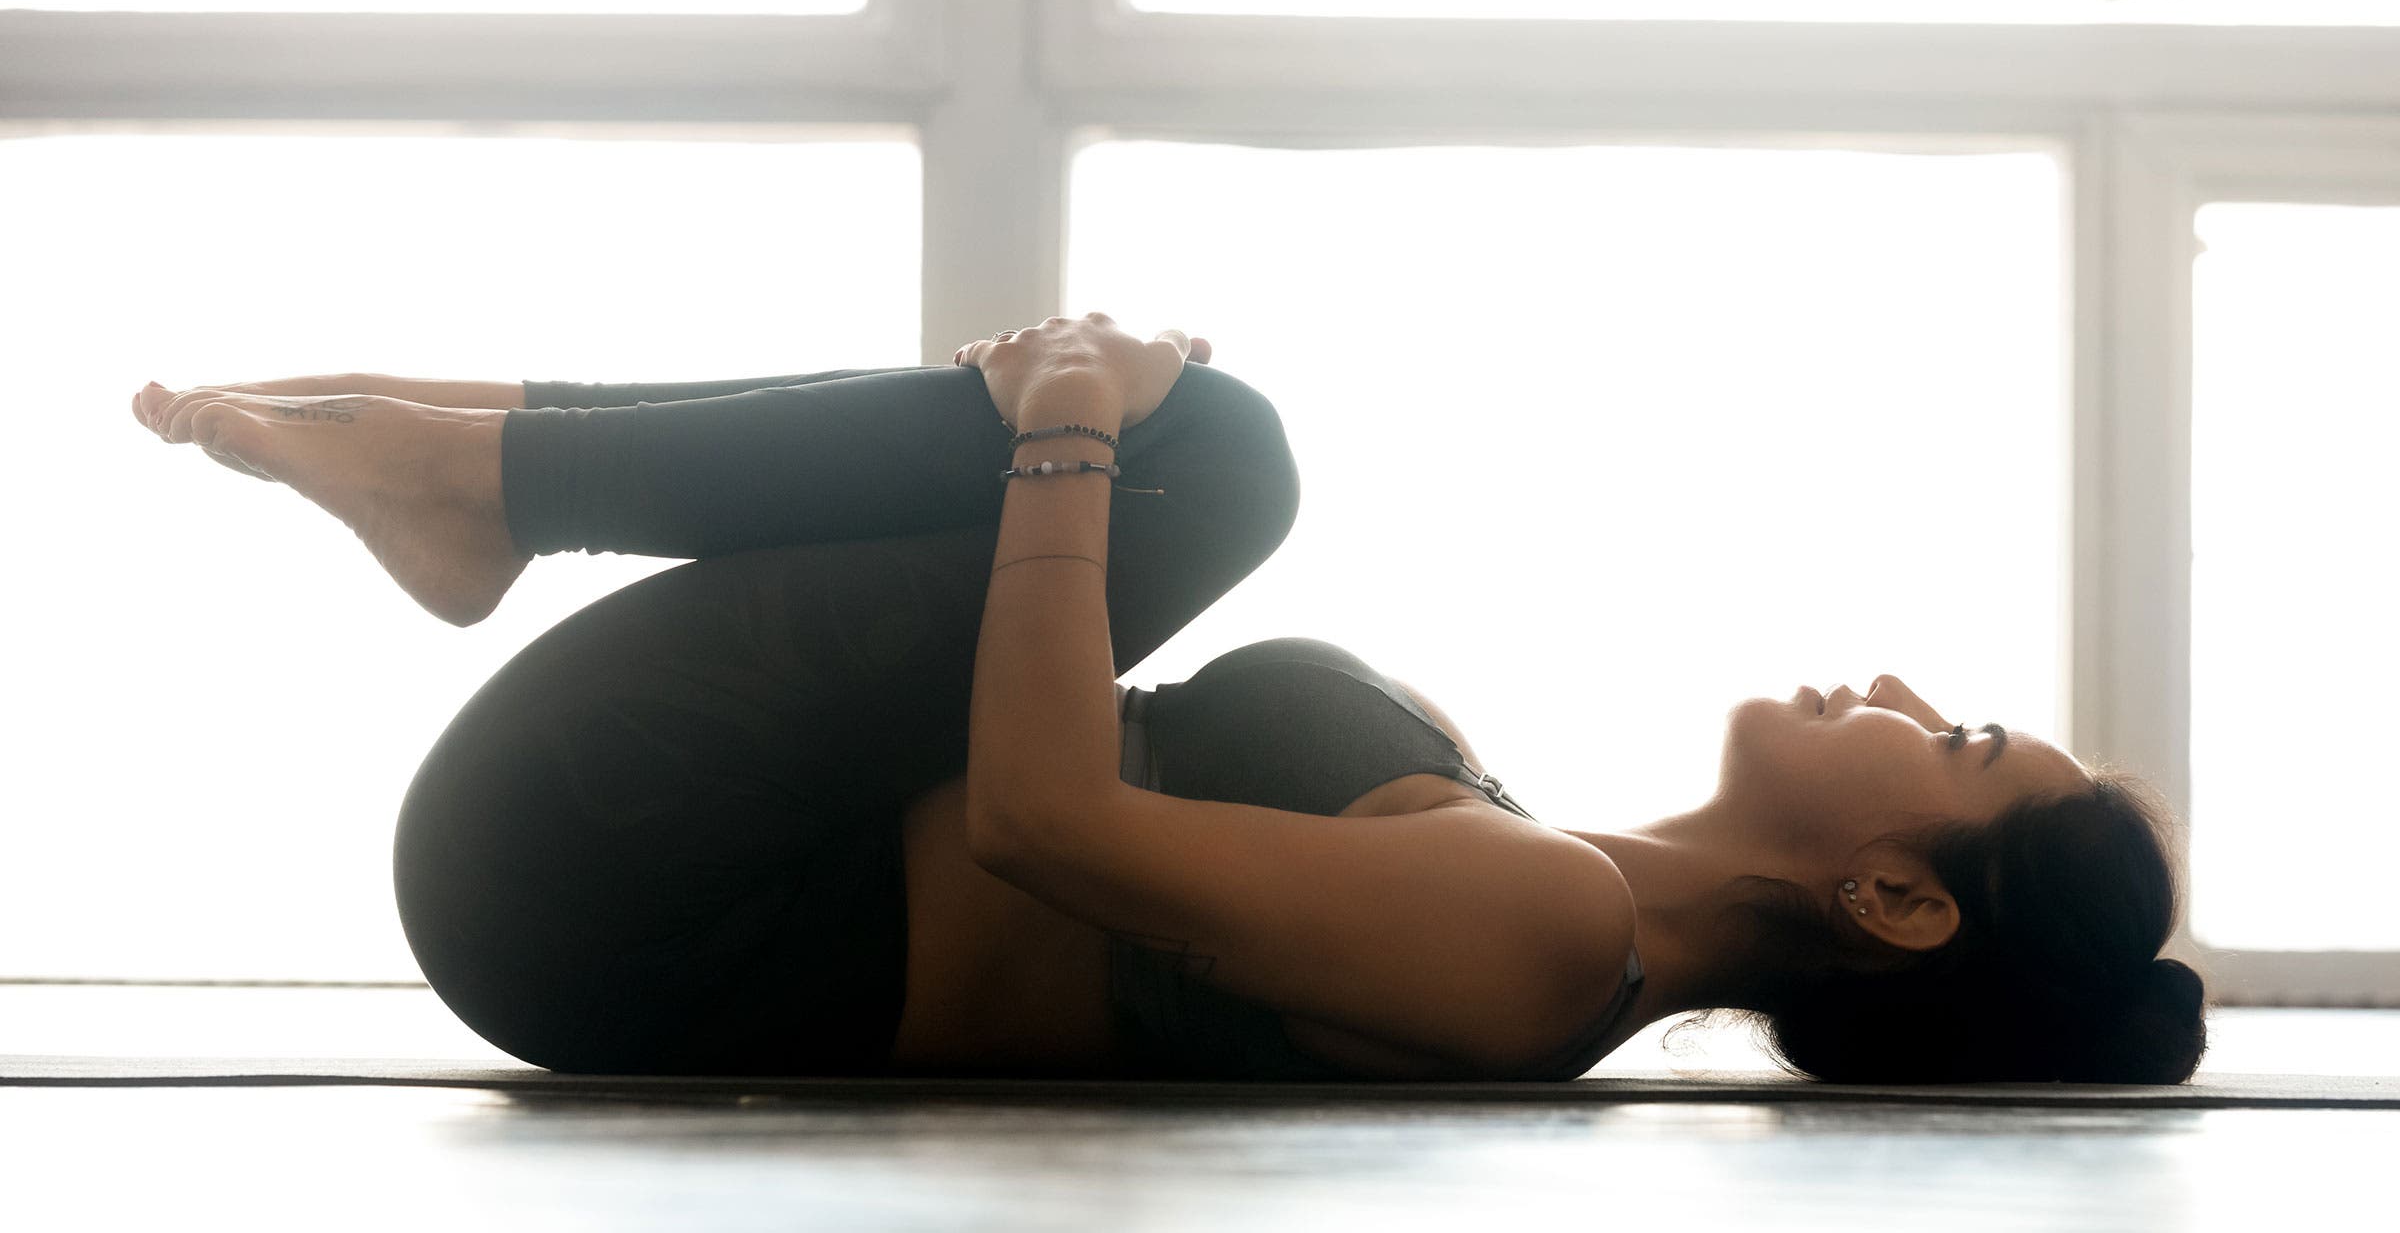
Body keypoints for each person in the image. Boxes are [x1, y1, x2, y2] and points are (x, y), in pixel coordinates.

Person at [131, 313, 2207, 1086]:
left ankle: (479, 470)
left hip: (635, 891)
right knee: (1185, 436)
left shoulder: (1567, 935)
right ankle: (482, 464)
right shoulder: (1556, 874)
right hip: (666, 853)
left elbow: (1046, 819)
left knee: (1219, 455)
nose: (1903, 687)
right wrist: (1064, 427)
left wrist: (1059, 437)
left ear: (1902, 903)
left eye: (1949, 743)